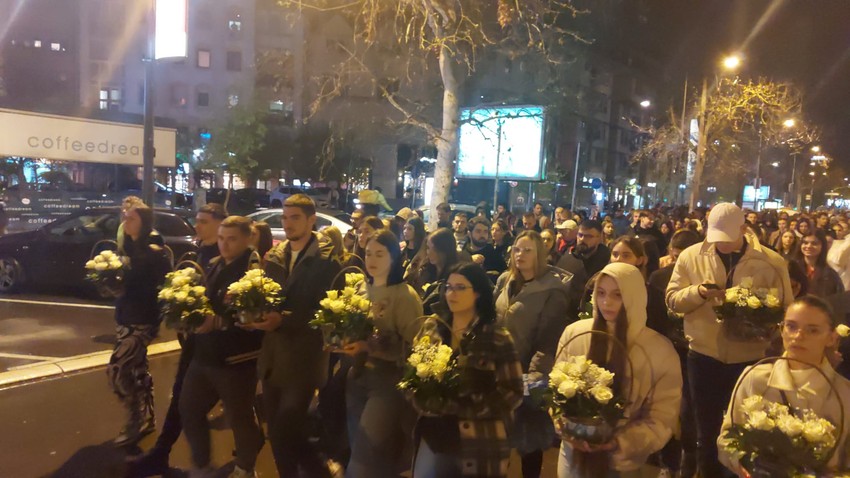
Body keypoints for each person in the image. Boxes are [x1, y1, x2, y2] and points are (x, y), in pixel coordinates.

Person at [666, 202, 793, 478]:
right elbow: (672, 299)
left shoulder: (770, 261)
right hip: (703, 356)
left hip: (749, 359)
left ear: (744, 229)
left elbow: (786, 309)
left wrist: (760, 315)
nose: (719, 245)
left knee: (745, 428)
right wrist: (698, 292)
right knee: (706, 428)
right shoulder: (691, 256)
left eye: (726, 238)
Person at [556, 263, 682, 478]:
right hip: (573, 455)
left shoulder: (659, 350)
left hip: (623, 463)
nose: (606, 303)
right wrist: (565, 426)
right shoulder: (575, 334)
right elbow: (557, 390)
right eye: (601, 293)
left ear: (633, 297)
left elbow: (662, 416)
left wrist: (621, 443)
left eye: (617, 295)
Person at [127, 203, 226, 475]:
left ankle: (244, 455)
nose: (198, 225)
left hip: (223, 347)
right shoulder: (199, 252)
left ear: (220, 224)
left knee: (236, 406)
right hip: (195, 343)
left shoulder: (224, 254)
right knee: (184, 402)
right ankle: (167, 453)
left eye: (205, 221)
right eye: (198, 220)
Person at [249, 194, 341, 477]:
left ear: (312, 220)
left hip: (304, 358)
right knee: (279, 433)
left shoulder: (327, 261)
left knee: (284, 428)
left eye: (295, 218)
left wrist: (283, 319)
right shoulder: (275, 257)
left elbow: (325, 311)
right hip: (274, 357)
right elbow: (268, 298)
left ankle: (319, 470)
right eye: (284, 218)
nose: (287, 224)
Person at [410, 263, 524, 478]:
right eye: (448, 286)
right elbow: (411, 375)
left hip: (479, 440)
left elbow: (513, 391)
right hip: (435, 435)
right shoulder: (432, 328)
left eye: (460, 287)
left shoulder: (496, 337)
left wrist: (470, 407)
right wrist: (422, 400)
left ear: (478, 293)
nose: (451, 293)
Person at [718, 296, 850, 476]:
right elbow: (727, 437)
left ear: (831, 337)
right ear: (781, 330)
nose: (798, 336)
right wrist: (740, 463)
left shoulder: (844, 392)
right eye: (791, 326)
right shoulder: (756, 377)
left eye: (812, 330)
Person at [180, 216, 265, 478]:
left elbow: (253, 313)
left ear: (247, 239)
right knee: (188, 408)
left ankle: (245, 466)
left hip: (236, 358)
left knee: (238, 417)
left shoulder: (254, 270)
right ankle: (202, 464)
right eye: (220, 238)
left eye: (231, 239)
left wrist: (219, 321)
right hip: (205, 354)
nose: (224, 245)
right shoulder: (215, 264)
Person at [344, 230, 423, 477]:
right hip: (357, 375)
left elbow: (416, 347)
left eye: (380, 254)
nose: (372, 260)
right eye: (368, 253)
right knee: (364, 447)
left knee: (364, 455)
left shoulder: (404, 295)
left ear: (394, 257)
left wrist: (373, 346)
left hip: (388, 382)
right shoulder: (359, 288)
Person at [495, 230, 572, 478]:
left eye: (527, 250)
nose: (520, 254)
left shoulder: (553, 290)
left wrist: (534, 376)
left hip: (528, 371)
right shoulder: (505, 281)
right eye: (517, 249)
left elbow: (548, 338)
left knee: (529, 439)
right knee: (497, 437)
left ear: (540, 253)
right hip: (498, 369)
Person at [108, 205, 171, 447]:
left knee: (117, 369)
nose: (126, 220)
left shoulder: (154, 251)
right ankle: (147, 418)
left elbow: (166, 283)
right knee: (136, 369)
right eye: (124, 216)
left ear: (143, 222)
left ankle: (135, 417)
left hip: (142, 319)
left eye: (131, 217)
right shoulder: (125, 247)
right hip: (124, 316)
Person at [646, 229, 702, 478]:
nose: (678, 262)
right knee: (664, 408)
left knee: (689, 413)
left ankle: (688, 462)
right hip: (666, 350)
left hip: (694, 353)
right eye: (675, 255)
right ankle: (668, 462)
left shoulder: (704, 279)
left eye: (683, 257)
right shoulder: (659, 278)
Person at [416, 228, 461, 316]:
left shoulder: (455, 275)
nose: (428, 252)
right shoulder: (425, 270)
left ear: (444, 250)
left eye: (433, 249)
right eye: (427, 248)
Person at [796, 229, 844, 298]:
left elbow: (838, 298)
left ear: (822, 246)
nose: (809, 246)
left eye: (814, 243)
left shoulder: (830, 274)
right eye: (805, 243)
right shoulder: (792, 268)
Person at [464, 217, 508, 281]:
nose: (482, 235)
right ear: (469, 234)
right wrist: (469, 260)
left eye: (485, 231)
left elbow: (505, 275)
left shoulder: (494, 255)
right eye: (478, 231)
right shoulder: (463, 254)